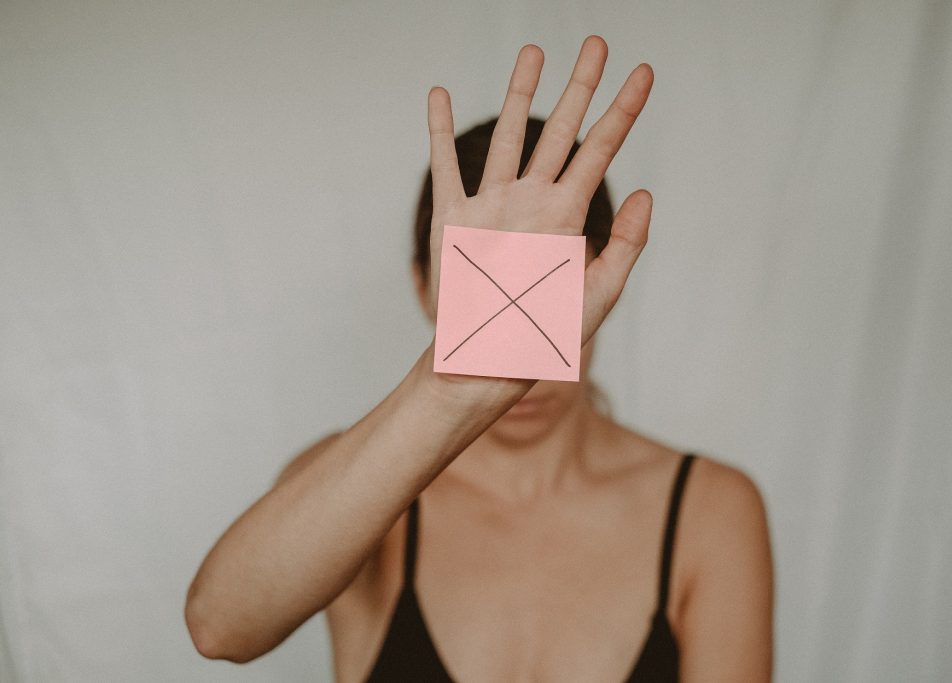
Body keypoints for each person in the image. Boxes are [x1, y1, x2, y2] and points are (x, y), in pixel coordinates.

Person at [184, 35, 773, 682]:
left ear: (602, 282)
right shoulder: (354, 487)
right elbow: (219, 623)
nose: (521, 358)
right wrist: (445, 387)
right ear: (423, 287)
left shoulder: (709, 509)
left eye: (548, 290)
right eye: (485, 292)